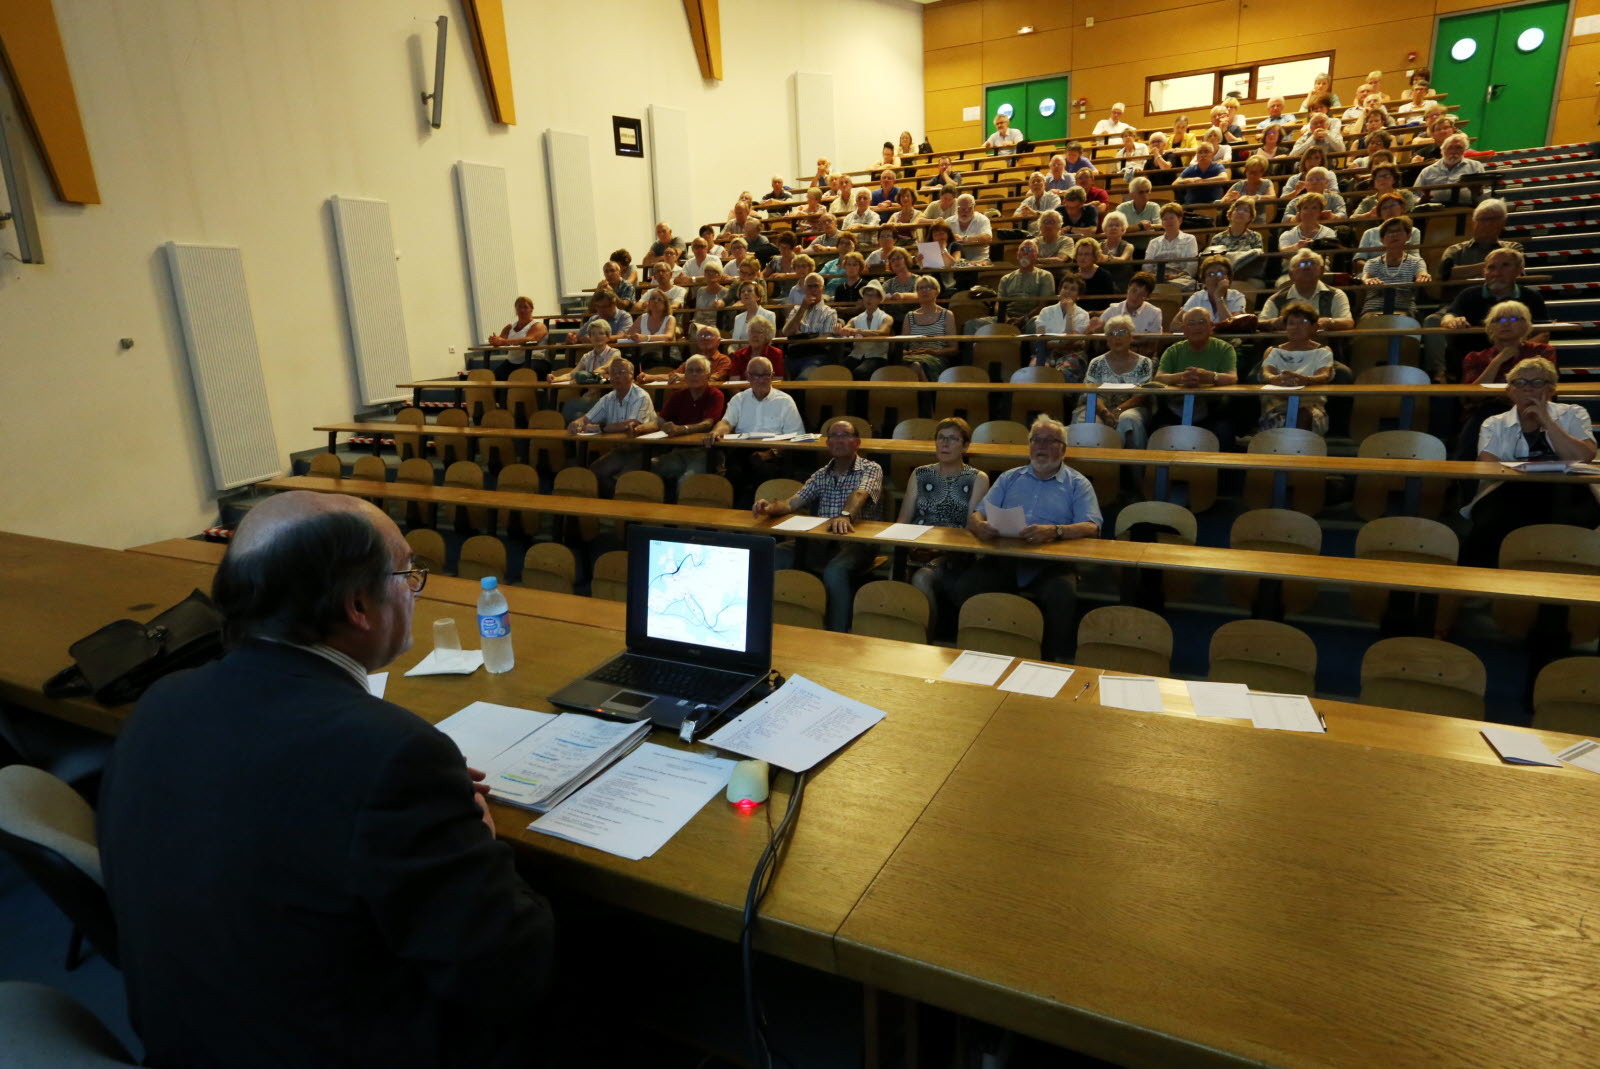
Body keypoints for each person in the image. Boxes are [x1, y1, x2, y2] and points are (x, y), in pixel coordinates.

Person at [99, 491, 555, 1069]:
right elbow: (506, 972)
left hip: (189, 1039)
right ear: (359, 605)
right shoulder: (394, 754)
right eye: (407, 573)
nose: (414, 589)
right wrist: (476, 833)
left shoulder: (164, 698)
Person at [961, 415, 1102, 662]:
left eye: (1050, 441)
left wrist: (1056, 531)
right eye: (1036, 440)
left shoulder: (1077, 484)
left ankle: (1047, 661)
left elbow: (1092, 526)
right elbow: (977, 513)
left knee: (1063, 595)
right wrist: (978, 525)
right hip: (1005, 558)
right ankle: (978, 653)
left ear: (1063, 449)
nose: (1041, 446)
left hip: (1051, 563)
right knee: (965, 584)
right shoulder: (1009, 478)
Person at [1462, 357, 1600, 567]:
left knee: (1567, 521)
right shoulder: (1493, 423)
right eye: (1520, 383)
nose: (1528, 389)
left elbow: (1583, 456)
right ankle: (1483, 591)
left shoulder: (1574, 413)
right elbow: (1489, 466)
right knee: (1492, 523)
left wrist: (1546, 420)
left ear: (1552, 389)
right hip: (1510, 489)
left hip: (1569, 491)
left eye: (1537, 383)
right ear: (1510, 391)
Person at [754, 420, 884, 631]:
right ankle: (770, 624)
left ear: (857, 442)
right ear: (827, 443)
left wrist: (845, 515)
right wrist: (769, 508)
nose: (839, 440)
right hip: (822, 542)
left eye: (845, 435)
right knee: (772, 555)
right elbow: (791, 502)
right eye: (834, 435)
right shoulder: (821, 474)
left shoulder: (871, 469)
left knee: (835, 571)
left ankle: (836, 632)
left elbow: (860, 493)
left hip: (857, 544)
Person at [897, 417, 989, 628]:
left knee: (922, 578)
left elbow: (971, 526)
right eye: (940, 438)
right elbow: (904, 519)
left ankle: (926, 636)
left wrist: (938, 549)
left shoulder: (977, 478)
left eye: (952, 439)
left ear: (965, 445)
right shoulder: (920, 473)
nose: (944, 444)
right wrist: (911, 544)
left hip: (954, 553)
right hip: (916, 546)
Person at [1435, 247, 1546, 382]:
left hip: (1519, 361)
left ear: (1519, 270)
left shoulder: (1532, 297)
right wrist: (1451, 321)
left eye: (1505, 265)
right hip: (1472, 362)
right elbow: (1449, 315)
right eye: (1491, 267)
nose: (1497, 273)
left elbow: (1543, 333)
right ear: (1484, 272)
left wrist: (1515, 352)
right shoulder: (1468, 294)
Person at [707, 355, 805, 499]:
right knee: (733, 473)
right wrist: (716, 431)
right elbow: (726, 423)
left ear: (772, 376)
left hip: (774, 451)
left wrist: (770, 454)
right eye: (755, 375)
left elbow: (795, 436)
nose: (760, 380)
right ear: (747, 376)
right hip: (742, 449)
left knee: (763, 471)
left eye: (765, 375)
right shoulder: (739, 399)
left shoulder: (785, 401)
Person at [1153, 307, 1239, 449]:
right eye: (1191, 323)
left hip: (1213, 410)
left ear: (1211, 327)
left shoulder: (1225, 349)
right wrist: (1181, 377)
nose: (1197, 327)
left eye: (1202, 322)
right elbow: (1159, 378)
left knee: (1225, 431)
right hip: (1175, 408)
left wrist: (1210, 377)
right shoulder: (1173, 350)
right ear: (1184, 329)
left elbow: (1232, 378)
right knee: (1157, 429)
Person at [569, 358, 658, 493]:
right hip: (621, 449)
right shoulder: (608, 398)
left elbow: (632, 423)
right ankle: (608, 504)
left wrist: (601, 427)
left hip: (643, 450)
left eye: (621, 372)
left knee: (626, 479)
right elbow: (587, 418)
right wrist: (577, 423)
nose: (616, 376)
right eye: (613, 373)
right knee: (594, 472)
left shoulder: (641, 396)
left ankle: (621, 504)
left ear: (631, 375)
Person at [1074, 315, 1154, 447]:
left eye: (1122, 332)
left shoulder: (1145, 362)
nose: (1117, 337)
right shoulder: (1096, 363)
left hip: (1132, 407)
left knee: (1128, 419)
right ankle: (1090, 464)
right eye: (1112, 334)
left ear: (1130, 336)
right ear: (1107, 340)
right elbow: (1089, 392)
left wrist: (1119, 409)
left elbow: (1143, 395)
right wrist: (1105, 412)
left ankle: (1132, 465)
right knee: (1087, 420)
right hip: (1098, 407)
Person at [650, 354, 728, 485]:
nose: (694, 374)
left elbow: (708, 424)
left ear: (708, 375)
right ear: (685, 375)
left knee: (686, 481)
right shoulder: (678, 395)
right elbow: (661, 419)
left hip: (705, 451)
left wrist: (683, 429)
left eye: (699, 371)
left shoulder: (716, 395)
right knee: (649, 468)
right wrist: (663, 426)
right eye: (690, 371)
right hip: (679, 450)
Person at [1259, 302, 1334, 434]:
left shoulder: (1323, 351)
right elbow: (1267, 373)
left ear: (1314, 327)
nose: (1295, 327)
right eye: (1291, 323)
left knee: (1304, 415)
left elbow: (1324, 375)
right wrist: (1276, 379)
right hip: (1278, 405)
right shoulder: (1273, 351)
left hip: (1311, 405)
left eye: (1303, 322)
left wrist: (1304, 379)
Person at [1260, 249, 1354, 332]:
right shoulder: (1277, 299)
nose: (1306, 267)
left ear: (1321, 270)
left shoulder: (1336, 295)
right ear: (1291, 274)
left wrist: (1329, 322)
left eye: (1312, 263)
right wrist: (1272, 323)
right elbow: (1259, 323)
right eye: (1301, 264)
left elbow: (1349, 322)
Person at [1360, 216, 1430, 317]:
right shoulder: (1372, 262)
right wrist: (1367, 280)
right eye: (1389, 232)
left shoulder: (1416, 262)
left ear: (1408, 236)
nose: (1394, 235)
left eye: (1398, 231)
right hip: (1373, 310)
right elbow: (1366, 277)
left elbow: (1422, 273)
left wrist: (1423, 276)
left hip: (1404, 311)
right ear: (1382, 240)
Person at [1437, 199, 1521, 281]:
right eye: (1483, 219)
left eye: (1493, 219)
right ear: (1473, 222)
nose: (1487, 224)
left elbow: (1517, 273)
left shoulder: (1513, 247)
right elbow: (1445, 274)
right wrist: (1498, 265)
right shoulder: (1455, 250)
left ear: (1503, 223)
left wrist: (1460, 271)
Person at [1033, 273, 1091, 377]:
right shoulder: (1046, 311)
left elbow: (1071, 340)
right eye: (1065, 287)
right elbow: (1041, 340)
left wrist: (1069, 313)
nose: (1067, 292)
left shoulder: (1083, 314)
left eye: (1073, 289)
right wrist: (1062, 344)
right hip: (1046, 353)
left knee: (1062, 373)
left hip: (1072, 355)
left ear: (1079, 295)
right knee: (1035, 372)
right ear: (1060, 290)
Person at [901, 274, 956, 380]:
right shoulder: (910, 316)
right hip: (911, 356)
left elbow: (954, 349)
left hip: (936, 357)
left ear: (936, 291)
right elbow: (902, 347)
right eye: (920, 288)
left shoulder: (947, 315)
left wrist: (934, 352)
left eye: (928, 287)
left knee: (916, 366)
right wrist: (907, 352)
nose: (924, 291)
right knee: (903, 366)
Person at [838, 281, 894, 379]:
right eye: (867, 295)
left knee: (860, 372)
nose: (869, 299)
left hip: (877, 356)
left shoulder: (886, 318)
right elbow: (846, 329)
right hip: (856, 355)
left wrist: (858, 331)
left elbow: (882, 333)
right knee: (839, 371)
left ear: (880, 299)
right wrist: (840, 329)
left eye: (874, 296)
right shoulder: (855, 319)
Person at [995, 239, 1057, 327]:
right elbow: (999, 305)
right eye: (1023, 250)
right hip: (1007, 319)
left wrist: (1024, 319)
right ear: (1017, 255)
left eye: (1030, 250)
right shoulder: (1006, 278)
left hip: (1032, 319)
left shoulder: (1045, 276)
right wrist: (1006, 320)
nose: (1025, 253)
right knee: (973, 324)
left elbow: (1044, 306)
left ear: (1036, 256)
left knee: (1035, 324)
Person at [487, 296, 550, 380]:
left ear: (531, 309)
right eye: (519, 307)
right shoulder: (509, 327)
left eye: (525, 307)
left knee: (520, 374)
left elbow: (531, 339)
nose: (522, 310)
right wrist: (495, 341)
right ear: (516, 309)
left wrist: (504, 341)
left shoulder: (538, 325)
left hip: (535, 360)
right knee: (496, 376)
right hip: (512, 361)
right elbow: (501, 341)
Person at [1352, 193, 1418, 270]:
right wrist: (1376, 269)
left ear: (1402, 208)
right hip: (1373, 273)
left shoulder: (1413, 231)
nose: (1389, 210)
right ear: (1380, 214)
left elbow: (1415, 256)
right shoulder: (1369, 233)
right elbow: (1359, 259)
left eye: (1392, 205)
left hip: (1404, 271)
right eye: (1384, 208)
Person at [1180, 256, 1247, 329]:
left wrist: (1218, 297)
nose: (1216, 278)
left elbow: (1232, 327)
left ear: (1228, 277)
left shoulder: (1237, 297)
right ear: (1204, 280)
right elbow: (1174, 324)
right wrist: (1202, 329)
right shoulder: (1197, 297)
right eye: (1210, 274)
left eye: (1220, 273)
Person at [1207, 197, 1265, 280]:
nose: (1241, 212)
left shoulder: (1256, 237)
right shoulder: (1217, 238)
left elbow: (1257, 263)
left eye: (1246, 210)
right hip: (1222, 276)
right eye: (1237, 209)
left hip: (1247, 277)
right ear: (1230, 215)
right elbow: (1212, 262)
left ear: (1250, 218)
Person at [1417, 133, 1486, 201]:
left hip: (1466, 208)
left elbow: (1486, 191)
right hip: (1433, 209)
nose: (1454, 151)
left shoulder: (1475, 166)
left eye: (1459, 148)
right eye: (1450, 148)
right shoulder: (1427, 171)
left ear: (1464, 150)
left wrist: (1479, 192)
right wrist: (1420, 200)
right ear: (1442, 151)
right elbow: (1415, 194)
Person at [1146, 202, 1199, 288]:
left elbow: (1192, 265)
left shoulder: (1190, 239)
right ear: (1162, 223)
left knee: (1190, 285)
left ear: (1180, 220)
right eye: (1165, 219)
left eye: (1171, 218)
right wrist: (1155, 276)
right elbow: (1147, 266)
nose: (1168, 221)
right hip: (1156, 278)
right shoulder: (1154, 242)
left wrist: (1177, 276)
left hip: (1181, 278)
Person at [1094, 270, 1163, 334]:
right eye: (1133, 291)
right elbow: (1098, 332)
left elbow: (1153, 341)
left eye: (1142, 295)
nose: (1135, 297)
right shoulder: (1113, 309)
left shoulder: (1154, 313)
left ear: (1148, 296)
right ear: (1128, 287)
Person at [1353, 165, 1417, 216]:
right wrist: (1368, 214)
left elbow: (1410, 212)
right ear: (1374, 183)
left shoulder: (1405, 194)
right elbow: (1353, 217)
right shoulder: (1368, 201)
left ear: (1394, 179)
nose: (1382, 180)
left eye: (1386, 176)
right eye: (1378, 177)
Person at [950, 193, 994, 263]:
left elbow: (987, 237)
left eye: (967, 208)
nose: (963, 212)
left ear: (973, 207)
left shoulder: (982, 219)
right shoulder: (949, 221)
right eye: (960, 208)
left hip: (979, 260)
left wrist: (964, 238)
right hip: (955, 262)